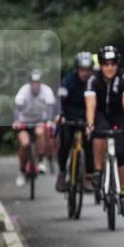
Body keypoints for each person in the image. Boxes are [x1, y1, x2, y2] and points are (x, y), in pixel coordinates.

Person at [84, 46, 124, 217]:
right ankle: (98, 171)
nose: (109, 67)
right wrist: (90, 124)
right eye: (105, 63)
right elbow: (91, 105)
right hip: (101, 114)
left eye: (113, 63)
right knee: (98, 134)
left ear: (117, 64)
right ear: (100, 64)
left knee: (121, 155)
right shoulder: (93, 79)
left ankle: (123, 195)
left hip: (120, 115)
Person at [55, 52, 94, 192]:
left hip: (87, 117)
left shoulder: (94, 82)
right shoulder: (68, 80)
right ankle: (62, 172)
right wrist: (60, 115)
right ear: (77, 69)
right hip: (69, 116)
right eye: (82, 70)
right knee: (65, 143)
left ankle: (88, 176)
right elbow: (60, 100)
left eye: (88, 70)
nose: (85, 73)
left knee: (90, 143)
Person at [12, 70, 56, 187]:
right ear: (30, 83)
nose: (35, 85)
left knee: (40, 131)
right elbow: (17, 108)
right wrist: (16, 121)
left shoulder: (46, 91)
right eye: (33, 82)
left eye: (37, 82)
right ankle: (21, 171)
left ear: (40, 83)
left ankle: (40, 160)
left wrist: (50, 121)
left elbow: (50, 107)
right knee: (25, 143)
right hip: (24, 121)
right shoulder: (23, 91)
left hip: (39, 120)